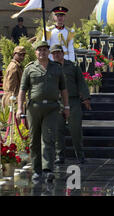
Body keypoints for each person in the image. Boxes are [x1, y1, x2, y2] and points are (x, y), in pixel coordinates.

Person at [16, 41, 69, 183]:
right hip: (34, 109)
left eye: (45, 50)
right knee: (34, 140)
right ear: (35, 53)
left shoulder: (56, 68)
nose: (42, 52)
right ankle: (37, 170)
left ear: (48, 52)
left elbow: (63, 89)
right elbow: (22, 90)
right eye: (39, 50)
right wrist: (20, 108)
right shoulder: (29, 69)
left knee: (48, 138)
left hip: (51, 109)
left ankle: (48, 169)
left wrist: (67, 107)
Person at [50, 45, 91, 165]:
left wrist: (86, 98)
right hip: (57, 102)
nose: (56, 55)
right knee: (58, 130)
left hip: (73, 101)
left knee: (76, 130)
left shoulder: (72, 66)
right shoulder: (50, 68)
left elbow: (81, 82)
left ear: (63, 53)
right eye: (54, 53)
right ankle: (60, 156)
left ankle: (80, 155)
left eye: (58, 53)